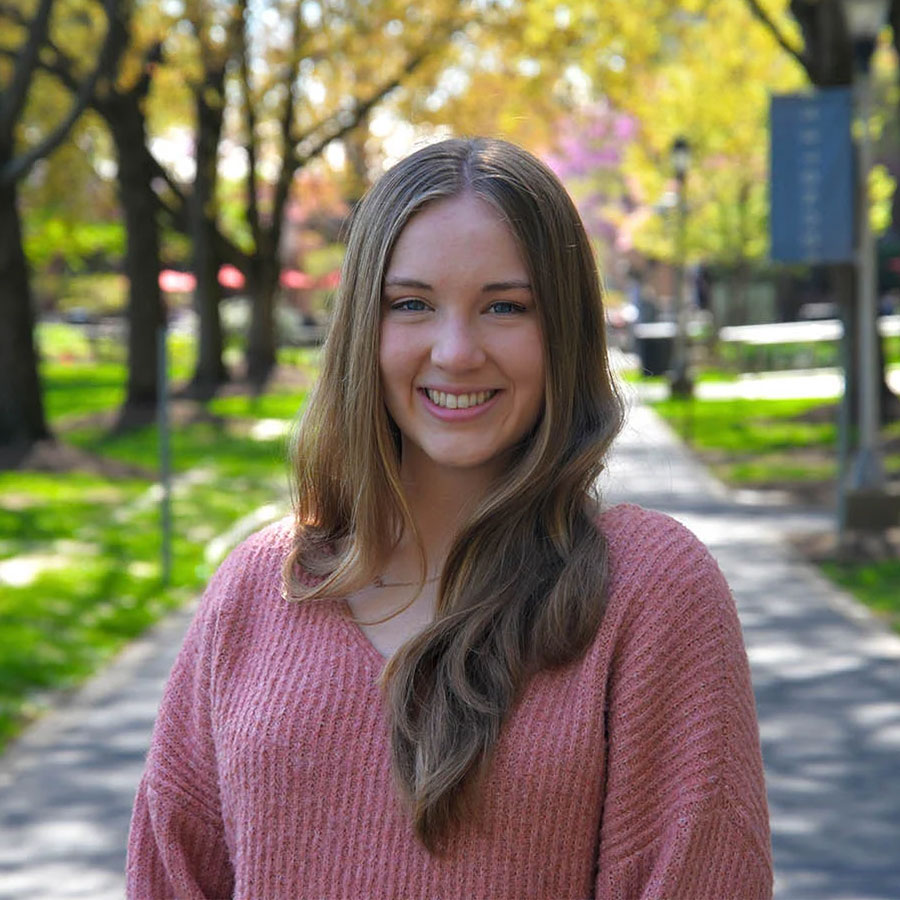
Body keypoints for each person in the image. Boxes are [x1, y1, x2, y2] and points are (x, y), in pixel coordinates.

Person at [126, 138, 772, 899]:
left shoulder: (650, 592)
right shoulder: (257, 591)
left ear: (563, 331)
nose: (456, 351)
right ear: (363, 329)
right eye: (412, 305)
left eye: (505, 306)